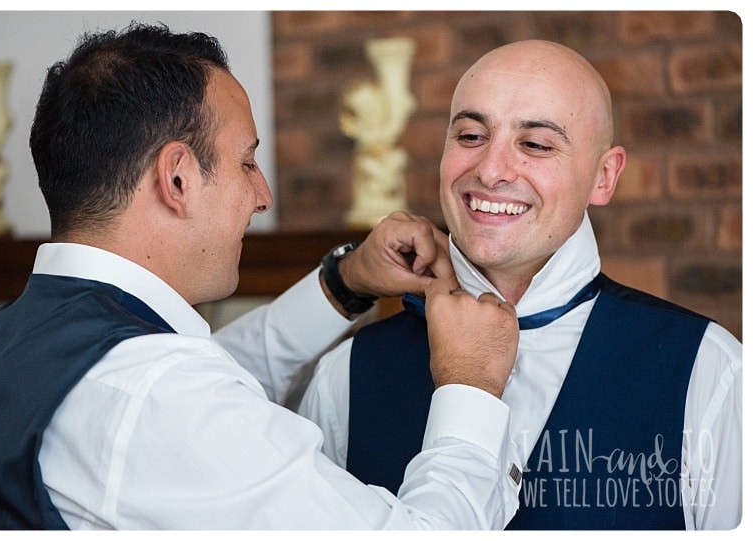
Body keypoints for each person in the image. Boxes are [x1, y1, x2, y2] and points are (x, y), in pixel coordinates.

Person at [0, 23, 523, 530]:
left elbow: (225, 368)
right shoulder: (160, 396)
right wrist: (470, 383)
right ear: (177, 178)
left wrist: (345, 281)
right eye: (247, 163)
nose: (263, 196)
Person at [299, 39, 742, 530]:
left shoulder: (710, 370)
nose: (490, 170)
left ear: (603, 176)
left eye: (535, 144)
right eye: (470, 135)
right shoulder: (345, 376)